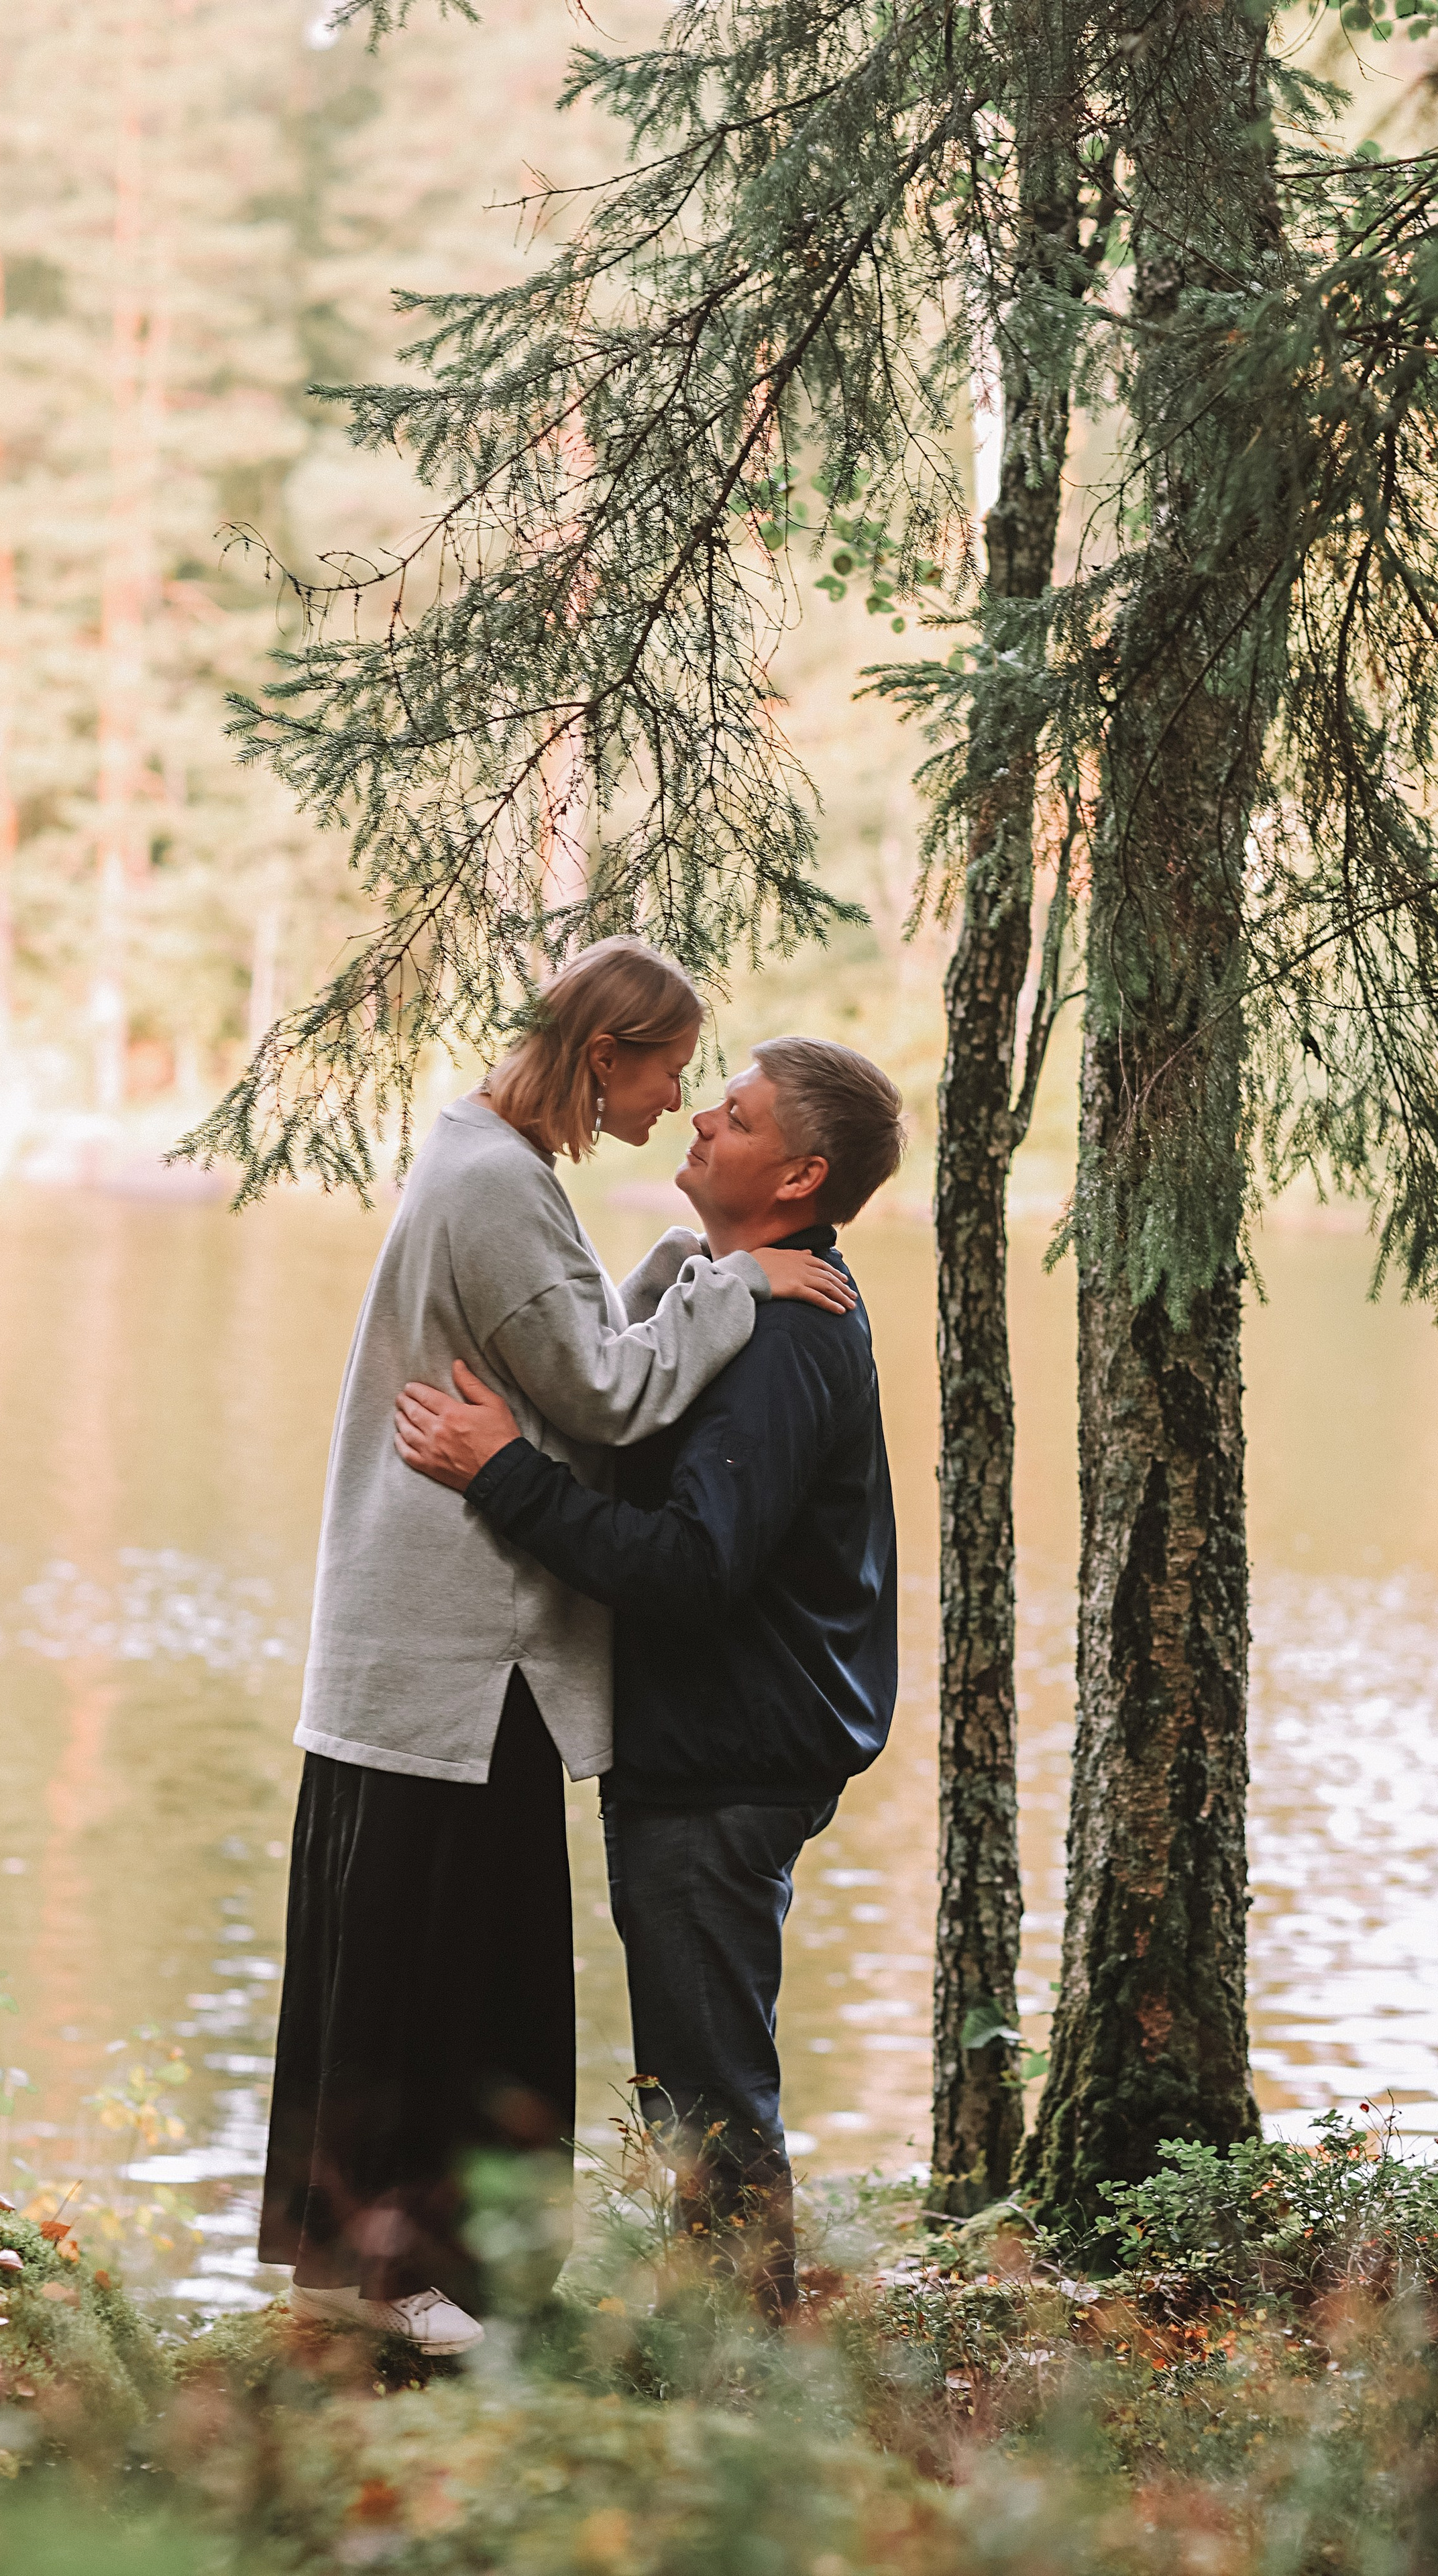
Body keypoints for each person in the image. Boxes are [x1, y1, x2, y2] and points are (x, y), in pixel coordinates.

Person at [259, 943, 855, 2357]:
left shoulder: (487, 1165)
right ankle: (402, 2277)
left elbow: (566, 1331)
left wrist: (693, 1265)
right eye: (665, 1073)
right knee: (437, 1957)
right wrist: (736, 1284)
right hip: (462, 1648)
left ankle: (393, 2271)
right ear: (605, 1057)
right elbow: (604, 1394)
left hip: (456, 1647)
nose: (676, 1104)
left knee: (434, 1947)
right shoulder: (492, 1186)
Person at [394, 1035, 903, 2313]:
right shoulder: (754, 1298)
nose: (698, 1125)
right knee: (690, 2069)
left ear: (801, 1176)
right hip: (717, 1743)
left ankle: (742, 2368)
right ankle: (714, 2341)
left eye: (732, 1119)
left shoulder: (790, 1340)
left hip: (731, 1757)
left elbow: (688, 1566)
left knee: (710, 2076)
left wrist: (501, 1471)